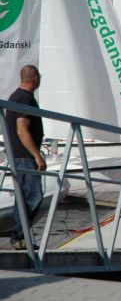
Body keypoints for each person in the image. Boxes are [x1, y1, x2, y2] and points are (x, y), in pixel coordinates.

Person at [7, 65, 45, 250]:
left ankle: (19, 238)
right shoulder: (25, 99)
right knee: (34, 197)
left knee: (23, 198)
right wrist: (37, 156)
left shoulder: (16, 96)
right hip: (25, 156)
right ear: (36, 78)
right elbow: (22, 130)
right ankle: (19, 238)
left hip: (19, 155)